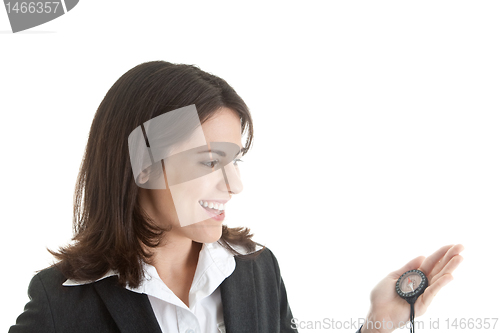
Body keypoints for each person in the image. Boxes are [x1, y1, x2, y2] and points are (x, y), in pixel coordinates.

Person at [9, 61, 464, 333]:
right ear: (141, 166)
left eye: (235, 160)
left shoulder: (256, 268)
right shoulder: (62, 303)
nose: (234, 185)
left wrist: (378, 322)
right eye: (209, 161)